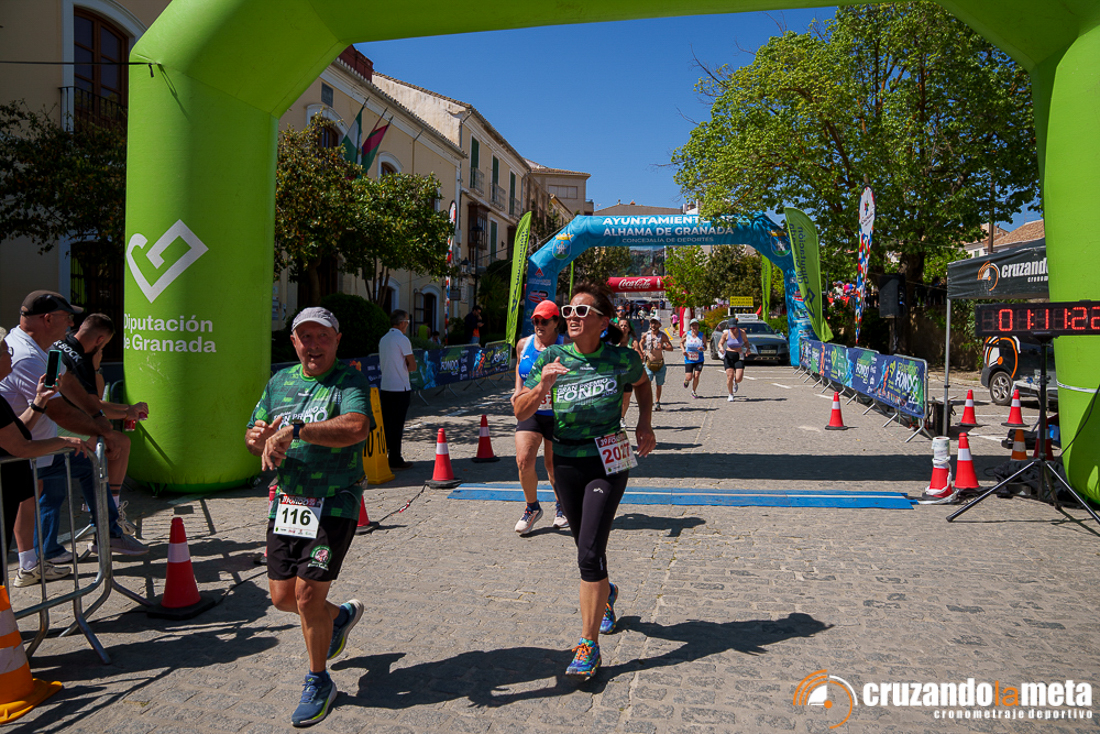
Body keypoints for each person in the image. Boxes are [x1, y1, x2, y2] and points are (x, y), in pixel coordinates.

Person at [514, 281, 656, 680]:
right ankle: (606, 593)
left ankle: (588, 645)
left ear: (603, 321)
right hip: (566, 461)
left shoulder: (621, 358)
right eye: (568, 311)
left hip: (609, 459)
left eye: (581, 311)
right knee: (585, 545)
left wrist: (644, 423)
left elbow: (643, 384)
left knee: (589, 554)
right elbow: (520, 410)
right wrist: (543, 385)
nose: (571, 318)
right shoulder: (552, 357)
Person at [245, 306, 373, 727]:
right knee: (282, 598)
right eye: (305, 337)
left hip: (335, 499)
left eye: (322, 337)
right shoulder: (280, 382)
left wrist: (297, 430)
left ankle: (319, 681)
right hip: (288, 502)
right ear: (294, 342)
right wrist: (258, 438)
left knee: (306, 597)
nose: (313, 345)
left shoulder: (349, 381)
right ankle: (339, 618)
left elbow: (356, 427)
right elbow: (254, 435)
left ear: (336, 341)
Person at [0, 291, 146, 579]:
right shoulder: (26, 357)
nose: (71, 324)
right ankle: (107, 532)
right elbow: (60, 413)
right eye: (66, 317)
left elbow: (66, 385)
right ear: (47, 319)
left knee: (37, 498)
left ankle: (34, 563)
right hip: (25, 452)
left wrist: (97, 417)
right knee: (80, 471)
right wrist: (98, 432)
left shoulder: (47, 350)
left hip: (33, 448)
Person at [1, 336, 95, 586]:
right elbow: (21, 447)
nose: (11, 355)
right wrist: (63, 441)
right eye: (6, 351)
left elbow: (17, 432)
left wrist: (40, 400)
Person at [54, 313, 148, 534]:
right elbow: (94, 406)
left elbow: (95, 403)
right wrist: (125, 413)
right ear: (99, 340)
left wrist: (127, 410)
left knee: (111, 442)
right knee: (119, 443)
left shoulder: (64, 343)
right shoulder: (80, 360)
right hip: (56, 422)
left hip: (52, 417)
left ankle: (103, 508)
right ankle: (109, 513)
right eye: (104, 346)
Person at [510, 299, 566, 535]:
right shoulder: (524, 344)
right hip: (532, 410)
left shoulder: (567, 345)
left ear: (556, 323)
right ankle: (532, 507)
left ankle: (562, 506)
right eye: (536, 320)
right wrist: (517, 390)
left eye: (544, 321)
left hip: (558, 414)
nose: (539, 325)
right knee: (524, 460)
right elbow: (519, 368)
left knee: (552, 465)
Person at [378, 310, 416, 471]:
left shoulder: (384, 339)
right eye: (407, 322)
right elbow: (412, 365)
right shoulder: (402, 339)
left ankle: (384, 454)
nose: (407, 325)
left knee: (387, 423)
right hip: (400, 386)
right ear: (402, 323)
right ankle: (395, 458)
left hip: (386, 386)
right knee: (397, 424)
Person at [637, 317, 674, 411]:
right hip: (649, 364)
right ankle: (648, 401)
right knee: (647, 384)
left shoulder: (663, 336)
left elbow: (671, 348)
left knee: (659, 385)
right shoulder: (646, 335)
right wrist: (642, 351)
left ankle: (657, 402)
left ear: (659, 325)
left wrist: (663, 347)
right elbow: (641, 342)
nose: (653, 325)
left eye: (655, 323)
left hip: (659, 364)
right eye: (652, 323)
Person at [718, 316, 748, 401]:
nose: (732, 330)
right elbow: (720, 343)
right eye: (731, 328)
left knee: (739, 378)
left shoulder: (742, 332)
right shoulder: (726, 333)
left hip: (739, 355)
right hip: (729, 355)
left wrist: (748, 349)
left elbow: (746, 342)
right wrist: (721, 348)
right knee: (730, 376)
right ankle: (730, 394)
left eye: (734, 328)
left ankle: (735, 382)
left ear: (736, 326)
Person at [681, 318, 706, 398]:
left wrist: (703, 348)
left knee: (697, 375)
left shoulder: (702, 335)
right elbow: (681, 342)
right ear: (690, 326)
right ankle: (686, 380)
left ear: (698, 326)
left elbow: (705, 346)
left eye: (696, 325)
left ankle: (693, 391)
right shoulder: (686, 334)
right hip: (689, 359)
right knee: (689, 377)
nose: (694, 326)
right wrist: (683, 350)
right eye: (693, 325)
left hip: (699, 359)